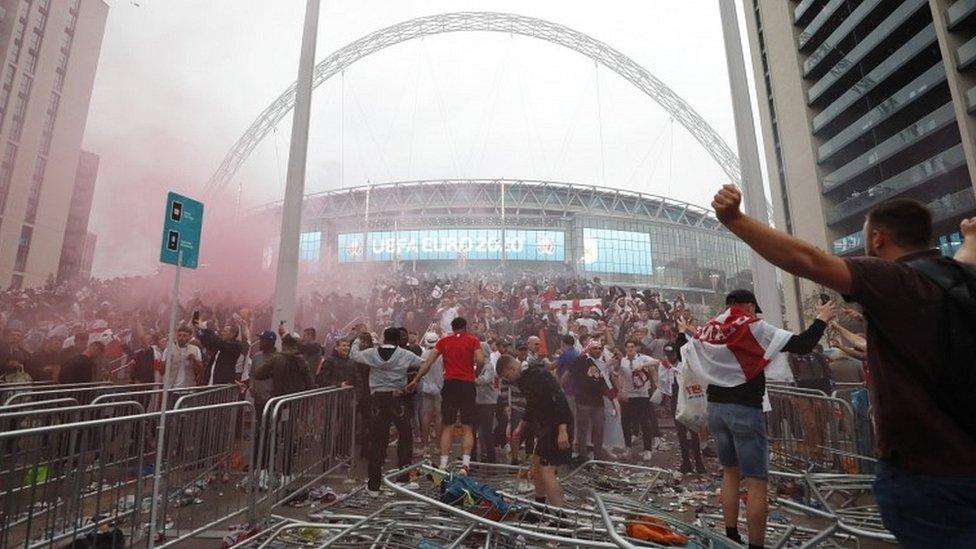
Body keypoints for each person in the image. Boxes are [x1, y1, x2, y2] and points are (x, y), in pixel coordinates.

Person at [712, 184, 976, 547]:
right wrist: (971, 238)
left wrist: (735, 220)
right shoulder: (959, 278)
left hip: (927, 473)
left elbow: (809, 260)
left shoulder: (894, 279)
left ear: (878, 239)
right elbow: (966, 259)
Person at [683, 288, 833, 549]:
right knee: (756, 482)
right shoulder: (754, 326)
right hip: (745, 410)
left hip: (716, 409)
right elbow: (801, 344)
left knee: (729, 474)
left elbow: (685, 350)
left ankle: (730, 536)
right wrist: (821, 318)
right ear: (750, 307)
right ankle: (756, 545)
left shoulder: (708, 328)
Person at [406, 317, 486, 476]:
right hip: (467, 385)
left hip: (450, 384)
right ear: (465, 327)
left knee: (447, 425)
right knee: (467, 426)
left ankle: (443, 464)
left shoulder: (443, 342)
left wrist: (415, 380)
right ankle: (465, 465)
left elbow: (427, 363)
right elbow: (480, 360)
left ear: (452, 327)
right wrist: (475, 373)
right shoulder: (473, 340)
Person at [354, 327, 424, 496]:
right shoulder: (405, 355)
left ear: (384, 338)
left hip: (377, 399)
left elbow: (354, 355)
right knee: (405, 437)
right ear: (399, 339)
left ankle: (373, 486)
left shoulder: (372, 353)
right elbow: (422, 363)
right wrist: (413, 379)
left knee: (377, 441)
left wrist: (357, 340)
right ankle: (403, 479)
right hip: (397, 398)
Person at [498, 354, 573, 507]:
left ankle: (560, 517)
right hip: (546, 427)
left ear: (512, 368)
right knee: (536, 467)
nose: (509, 379)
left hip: (557, 425)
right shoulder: (524, 381)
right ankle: (539, 507)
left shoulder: (538, 375)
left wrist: (563, 429)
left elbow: (559, 398)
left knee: (547, 471)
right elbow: (532, 406)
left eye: (508, 375)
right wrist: (521, 426)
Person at [617, 339, 661, 461]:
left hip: (642, 395)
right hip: (628, 396)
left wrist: (643, 365)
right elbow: (620, 375)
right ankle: (628, 449)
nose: (630, 349)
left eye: (632, 347)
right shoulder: (623, 361)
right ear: (625, 349)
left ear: (636, 348)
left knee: (645, 423)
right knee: (626, 423)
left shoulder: (642, 358)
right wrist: (620, 391)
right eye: (628, 347)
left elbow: (657, 362)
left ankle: (647, 450)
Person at [564, 340, 608, 461]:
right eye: (595, 348)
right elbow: (568, 374)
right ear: (589, 349)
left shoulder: (603, 362)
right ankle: (583, 455)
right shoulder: (581, 360)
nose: (598, 351)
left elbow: (606, 380)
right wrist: (562, 388)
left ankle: (598, 455)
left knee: (599, 428)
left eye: (600, 348)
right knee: (582, 429)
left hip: (598, 401)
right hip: (583, 400)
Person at [195, 319, 246, 386]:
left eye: (225, 331)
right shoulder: (220, 345)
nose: (222, 333)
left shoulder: (236, 346)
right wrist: (199, 331)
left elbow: (217, 342)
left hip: (221, 383)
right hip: (211, 380)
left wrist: (205, 329)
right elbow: (208, 343)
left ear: (233, 334)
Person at [417, 332, 444, 451]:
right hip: (439, 387)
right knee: (439, 416)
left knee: (426, 416)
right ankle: (438, 446)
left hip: (426, 387)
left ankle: (425, 445)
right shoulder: (441, 355)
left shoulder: (423, 354)